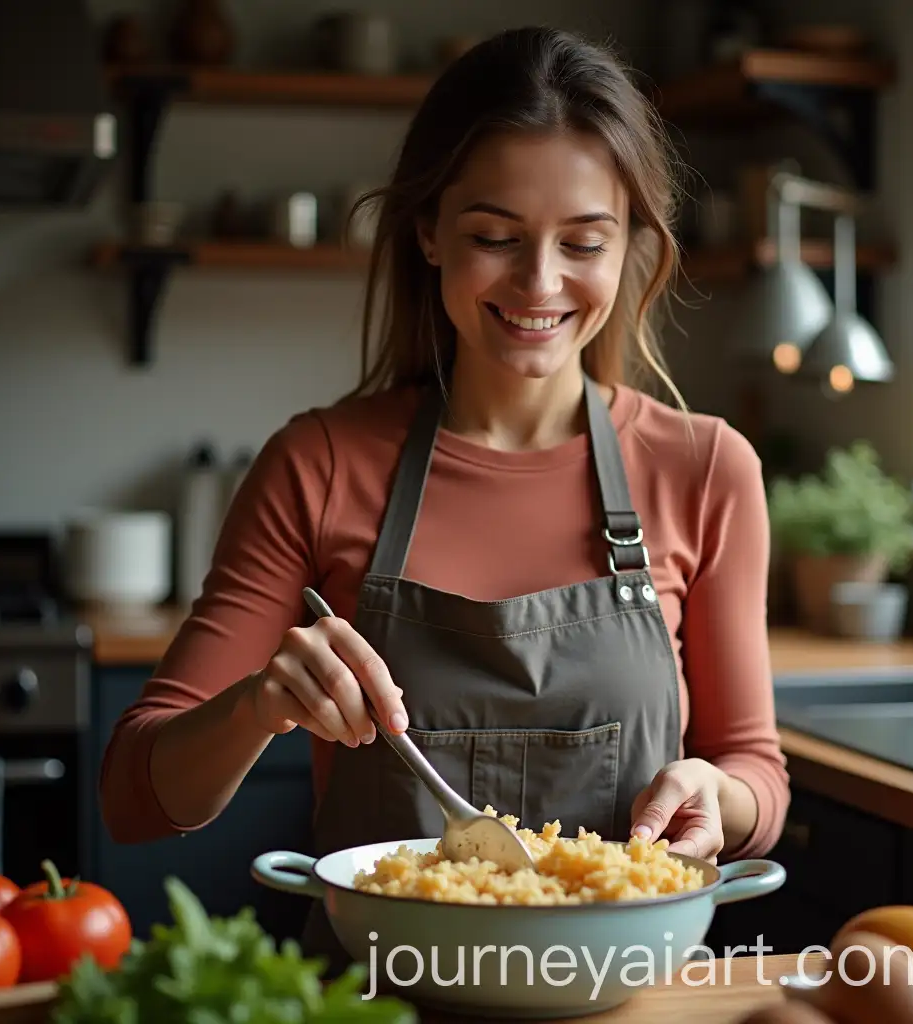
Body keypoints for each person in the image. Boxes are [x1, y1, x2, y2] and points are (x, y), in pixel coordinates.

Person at [99, 25, 789, 963]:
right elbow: (136, 796)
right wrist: (259, 705)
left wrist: (721, 792)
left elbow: (757, 771)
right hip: (375, 997)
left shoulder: (708, 469)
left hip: (622, 994)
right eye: (494, 237)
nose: (539, 283)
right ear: (428, 232)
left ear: (632, 245)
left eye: (583, 241)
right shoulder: (320, 464)